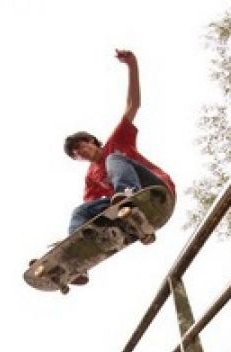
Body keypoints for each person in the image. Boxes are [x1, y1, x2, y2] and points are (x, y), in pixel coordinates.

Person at [64, 50, 176, 238]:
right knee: (81, 212)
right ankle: (78, 243)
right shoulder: (92, 176)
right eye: (76, 154)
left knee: (114, 158)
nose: (80, 153)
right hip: (136, 211)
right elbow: (91, 207)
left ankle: (129, 193)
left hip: (156, 191)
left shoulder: (117, 140)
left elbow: (133, 104)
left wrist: (132, 65)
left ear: (91, 141)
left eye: (80, 147)